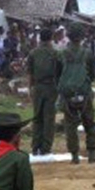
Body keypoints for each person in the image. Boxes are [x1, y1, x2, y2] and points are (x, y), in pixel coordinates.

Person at [59, 23, 95, 164]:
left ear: (68, 36)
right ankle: (92, 154)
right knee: (89, 123)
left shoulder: (62, 53)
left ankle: (74, 156)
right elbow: (93, 74)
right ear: (82, 37)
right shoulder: (87, 53)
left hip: (67, 94)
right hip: (84, 91)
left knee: (70, 125)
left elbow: (58, 73)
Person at [26, 27, 60, 155]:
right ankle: (46, 148)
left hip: (38, 87)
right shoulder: (56, 53)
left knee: (37, 117)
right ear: (51, 38)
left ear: (40, 38)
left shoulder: (33, 53)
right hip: (51, 87)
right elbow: (60, 73)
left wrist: (30, 88)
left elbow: (30, 73)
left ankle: (35, 147)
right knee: (49, 118)